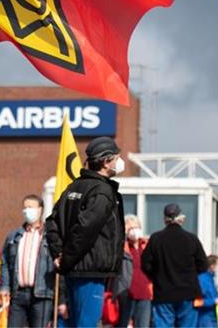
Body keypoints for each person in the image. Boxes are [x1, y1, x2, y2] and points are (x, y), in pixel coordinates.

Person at [46, 136, 126, 328]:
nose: (119, 162)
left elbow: (51, 223)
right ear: (106, 161)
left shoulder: (73, 187)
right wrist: (65, 258)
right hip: (90, 270)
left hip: (73, 268)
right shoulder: (102, 192)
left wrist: (58, 254)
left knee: (76, 323)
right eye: (117, 157)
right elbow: (84, 230)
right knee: (87, 323)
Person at [0, 194, 65, 328]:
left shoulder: (50, 236)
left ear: (40, 210)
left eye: (30, 207)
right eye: (24, 207)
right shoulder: (14, 236)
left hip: (42, 294)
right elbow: (5, 262)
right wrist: (5, 286)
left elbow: (60, 264)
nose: (26, 211)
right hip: (18, 293)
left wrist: (62, 299)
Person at [141, 203, 208, 328]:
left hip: (163, 292)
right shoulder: (191, 238)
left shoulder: (156, 238)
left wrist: (157, 276)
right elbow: (203, 265)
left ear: (164, 219)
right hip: (188, 293)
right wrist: (190, 276)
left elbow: (145, 264)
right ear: (181, 218)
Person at [115, 214, 152, 328]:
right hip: (126, 294)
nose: (134, 231)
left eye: (136, 227)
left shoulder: (147, 245)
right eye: (130, 228)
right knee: (123, 324)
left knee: (143, 325)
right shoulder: (121, 247)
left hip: (145, 292)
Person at [195, 255, 218, 328]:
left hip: (211, 316)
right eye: (217, 265)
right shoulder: (203, 279)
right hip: (204, 318)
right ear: (212, 265)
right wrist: (215, 301)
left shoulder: (210, 279)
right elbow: (197, 301)